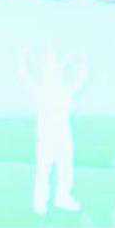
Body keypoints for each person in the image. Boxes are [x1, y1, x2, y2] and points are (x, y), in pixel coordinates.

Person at [19, 45, 87, 214]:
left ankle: (61, 199)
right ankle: (41, 203)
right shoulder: (42, 91)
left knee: (64, 169)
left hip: (62, 137)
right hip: (47, 138)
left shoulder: (63, 91)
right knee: (45, 170)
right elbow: (25, 76)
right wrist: (23, 58)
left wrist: (82, 63)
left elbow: (79, 81)